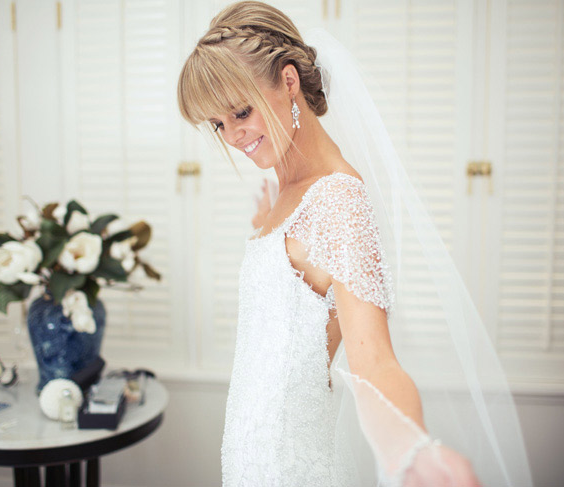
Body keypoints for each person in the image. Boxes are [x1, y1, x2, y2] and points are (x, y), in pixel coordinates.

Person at [177, 2, 533, 486]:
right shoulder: (287, 195)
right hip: (246, 465)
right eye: (218, 123)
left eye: (241, 111)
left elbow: (374, 359)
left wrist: (414, 451)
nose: (233, 135)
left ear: (288, 82)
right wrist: (266, 229)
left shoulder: (338, 199)